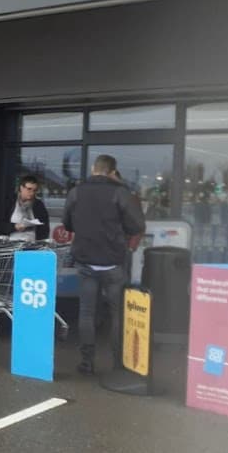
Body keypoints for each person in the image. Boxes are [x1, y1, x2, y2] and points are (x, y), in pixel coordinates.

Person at [62, 154, 146, 375]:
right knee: (118, 314)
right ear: (111, 172)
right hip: (113, 263)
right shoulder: (120, 193)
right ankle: (118, 362)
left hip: (86, 261)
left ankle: (87, 362)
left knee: (87, 313)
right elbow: (137, 225)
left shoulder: (76, 192)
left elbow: (67, 223)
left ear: (93, 168)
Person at [1, 175, 50, 242]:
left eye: (35, 190)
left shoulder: (39, 205)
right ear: (21, 188)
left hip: (32, 244)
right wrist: (14, 226)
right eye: (29, 189)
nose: (32, 193)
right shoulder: (9, 202)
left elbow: (45, 228)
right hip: (11, 244)